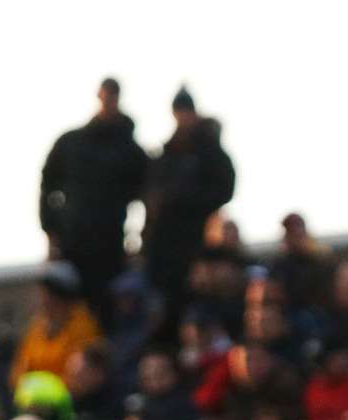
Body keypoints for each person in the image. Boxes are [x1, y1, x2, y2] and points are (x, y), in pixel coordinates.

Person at [39, 78, 149, 330]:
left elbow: (149, 195)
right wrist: (51, 231)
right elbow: (48, 186)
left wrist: (140, 241)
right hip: (71, 246)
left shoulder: (129, 151)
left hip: (110, 249)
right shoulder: (71, 143)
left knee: (105, 319)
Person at [141, 86, 236, 340]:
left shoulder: (208, 154)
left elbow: (224, 188)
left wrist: (184, 201)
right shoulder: (164, 156)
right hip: (163, 251)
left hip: (197, 248)